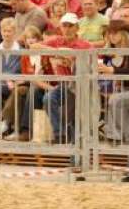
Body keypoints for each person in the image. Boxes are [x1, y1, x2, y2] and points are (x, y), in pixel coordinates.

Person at [98, 21, 129, 181]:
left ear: (123, 33)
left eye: (115, 33)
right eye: (110, 33)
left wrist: (112, 70)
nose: (112, 36)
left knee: (114, 101)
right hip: (125, 91)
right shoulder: (111, 49)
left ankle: (111, 132)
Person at [32, 13, 92, 143]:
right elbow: (34, 46)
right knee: (48, 98)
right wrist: (57, 51)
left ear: (77, 28)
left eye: (70, 26)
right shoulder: (56, 41)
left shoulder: (85, 45)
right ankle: (60, 134)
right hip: (64, 84)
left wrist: (73, 58)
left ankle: (72, 135)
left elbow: (92, 65)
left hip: (81, 85)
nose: (67, 29)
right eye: (64, 26)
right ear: (61, 28)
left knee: (66, 105)